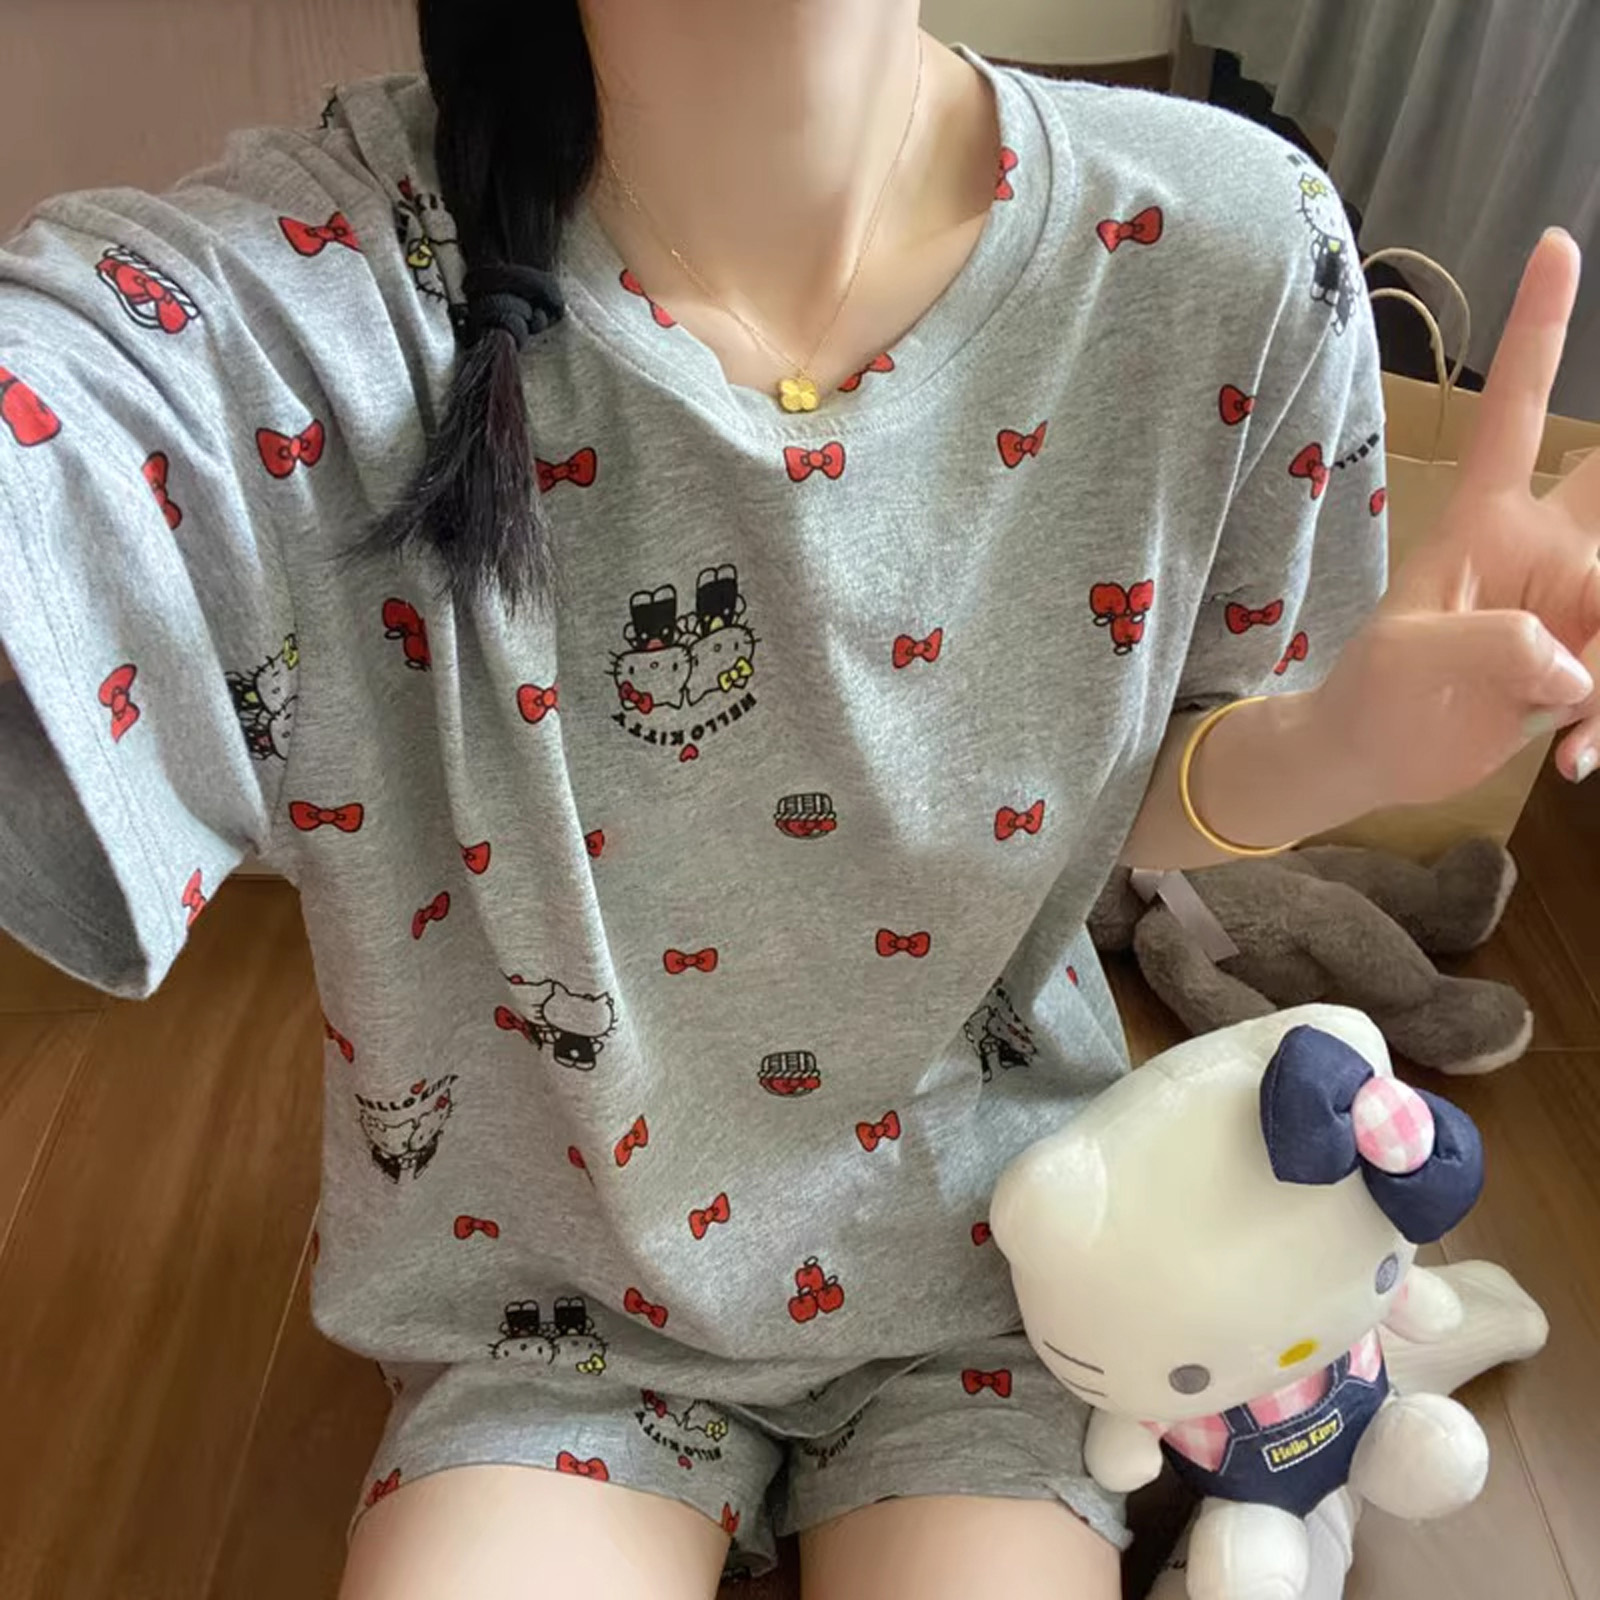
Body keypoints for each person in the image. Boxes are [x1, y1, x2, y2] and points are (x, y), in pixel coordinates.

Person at [0, 2, 1595, 1596]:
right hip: (550, 1320)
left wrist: (1345, 748)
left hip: (1003, 1265)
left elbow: (1136, 808)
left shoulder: (1226, 248)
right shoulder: (293, 300)